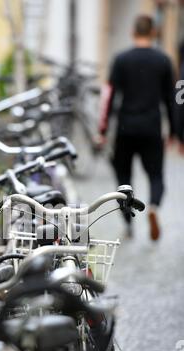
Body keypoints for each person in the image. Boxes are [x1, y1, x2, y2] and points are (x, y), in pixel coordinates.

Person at [97, 15, 175, 241]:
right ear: (153, 33)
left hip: (125, 128)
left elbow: (109, 95)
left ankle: (128, 222)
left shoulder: (121, 60)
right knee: (156, 175)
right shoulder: (163, 61)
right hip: (151, 127)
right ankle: (153, 207)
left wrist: (102, 130)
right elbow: (171, 99)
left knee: (123, 177)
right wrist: (175, 133)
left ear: (133, 33)